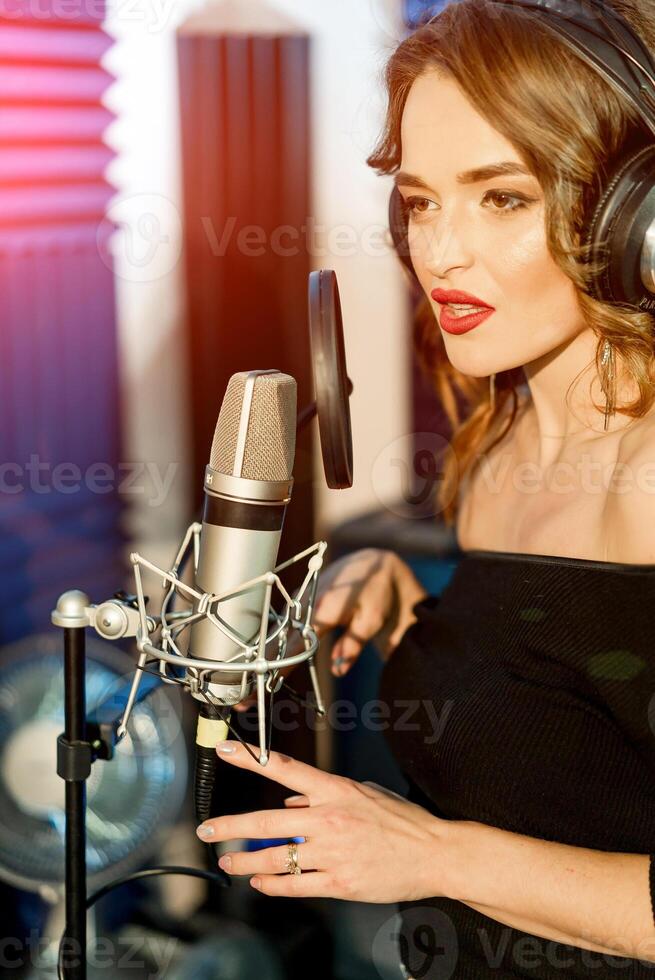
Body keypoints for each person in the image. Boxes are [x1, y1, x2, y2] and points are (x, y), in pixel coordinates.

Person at [197, 1, 655, 977]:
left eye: (501, 197)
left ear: (633, 215)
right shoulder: (493, 445)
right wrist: (439, 619)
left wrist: (428, 852)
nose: (440, 254)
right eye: (419, 201)